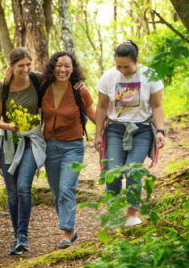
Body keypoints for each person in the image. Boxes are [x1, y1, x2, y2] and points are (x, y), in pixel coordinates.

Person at [93, 40, 165, 227]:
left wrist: (160, 130)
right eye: (119, 66)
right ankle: (114, 213)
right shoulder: (109, 76)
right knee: (113, 170)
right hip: (115, 129)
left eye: (127, 67)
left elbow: (157, 106)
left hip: (141, 130)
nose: (122, 71)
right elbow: (101, 107)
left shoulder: (150, 75)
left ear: (137, 60)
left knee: (133, 168)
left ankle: (133, 213)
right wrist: (98, 134)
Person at [0, 47, 46, 255]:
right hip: (9, 143)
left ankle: (23, 235)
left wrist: (79, 82)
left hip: (31, 141)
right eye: (21, 65)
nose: (25, 69)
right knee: (12, 194)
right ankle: (17, 238)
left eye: (28, 64)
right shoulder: (1, 87)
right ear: (11, 66)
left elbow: (62, 82)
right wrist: (7, 126)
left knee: (24, 187)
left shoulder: (37, 80)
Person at [41, 51, 96, 249]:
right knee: (57, 192)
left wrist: (107, 133)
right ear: (53, 67)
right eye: (59, 65)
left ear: (73, 70)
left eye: (67, 66)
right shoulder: (44, 86)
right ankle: (72, 232)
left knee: (66, 188)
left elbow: (92, 114)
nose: (62, 69)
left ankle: (66, 232)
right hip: (50, 147)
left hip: (73, 146)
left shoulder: (79, 90)